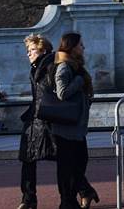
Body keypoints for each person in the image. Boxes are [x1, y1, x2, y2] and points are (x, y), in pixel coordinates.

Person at [51, 32, 97, 209]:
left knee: (77, 163)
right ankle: (68, 201)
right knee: (71, 166)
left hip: (74, 126)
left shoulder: (75, 66)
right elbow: (63, 93)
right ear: (71, 47)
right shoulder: (65, 66)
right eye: (80, 45)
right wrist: (79, 80)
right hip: (66, 127)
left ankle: (71, 199)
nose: (83, 48)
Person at [18, 34, 56, 209]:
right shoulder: (36, 67)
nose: (29, 54)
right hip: (36, 119)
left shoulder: (49, 66)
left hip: (45, 119)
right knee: (28, 159)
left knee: (60, 157)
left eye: (32, 50)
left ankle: (84, 190)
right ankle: (28, 199)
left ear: (43, 50)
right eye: (28, 50)